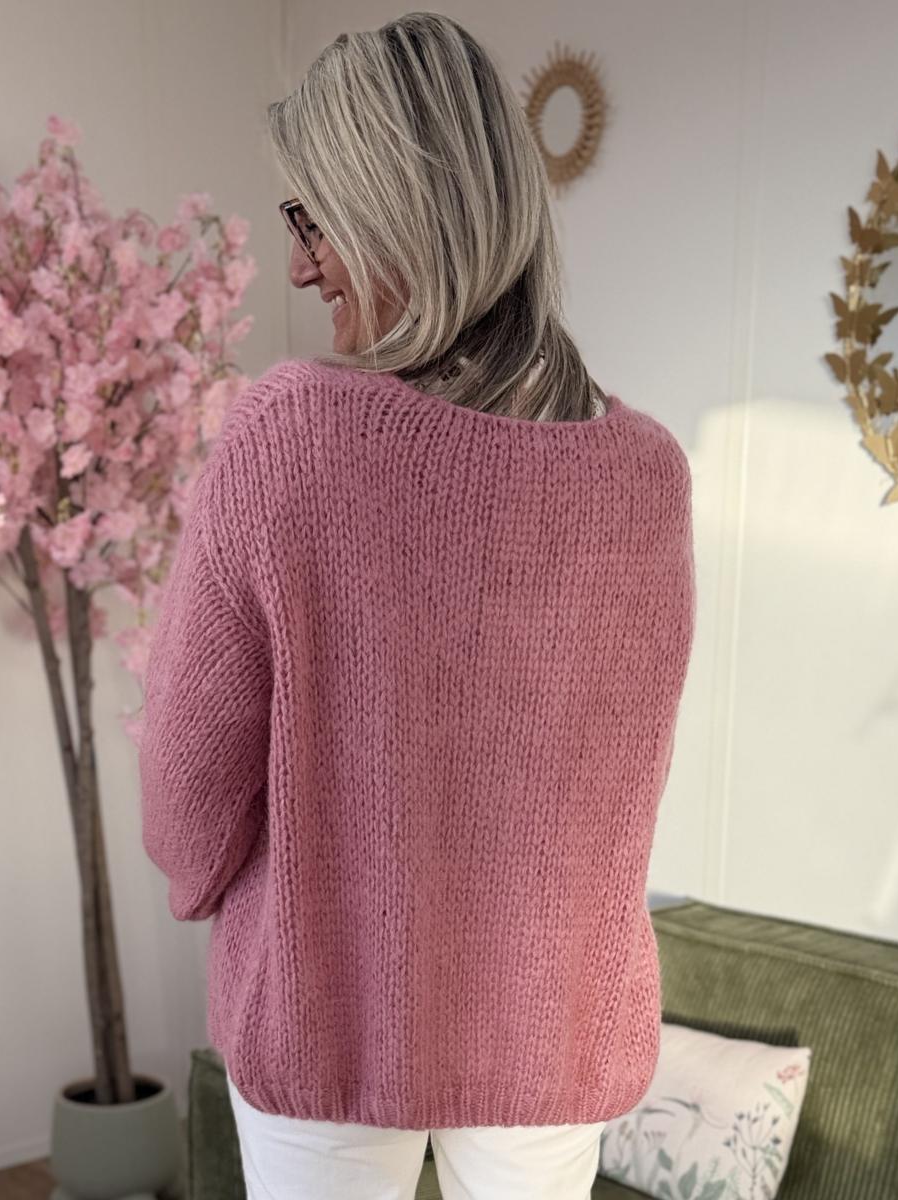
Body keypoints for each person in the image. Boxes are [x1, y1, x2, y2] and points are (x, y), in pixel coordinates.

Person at [138, 11, 697, 1200]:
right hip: (554, 1034)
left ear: (392, 206)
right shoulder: (647, 476)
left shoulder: (289, 436)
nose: (301, 265)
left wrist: (227, 883)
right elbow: (617, 784)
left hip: (326, 1017)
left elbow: (188, 797)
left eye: (313, 220)